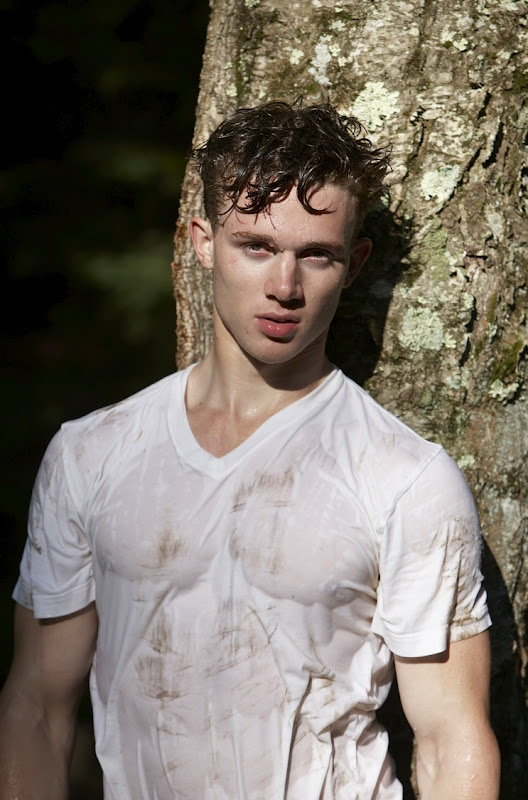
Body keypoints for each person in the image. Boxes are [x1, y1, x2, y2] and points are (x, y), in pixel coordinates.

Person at [0, 101, 500, 799]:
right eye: (256, 247)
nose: (284, 287)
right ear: (203, 241)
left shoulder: (406, 477)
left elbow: (451, 739)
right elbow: (36, 709)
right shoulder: (91, 454)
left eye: (316, 255)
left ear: (353, 263)